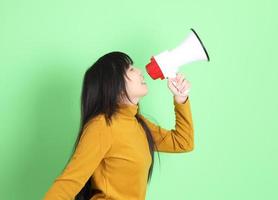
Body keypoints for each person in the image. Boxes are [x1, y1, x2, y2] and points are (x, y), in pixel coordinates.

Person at [44, 51, 194, 200]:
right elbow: (68, 183)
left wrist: (181, 99)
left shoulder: (138, 123)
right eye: (131, 69)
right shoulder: (101, 126)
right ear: (115, 85)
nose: (140, 71)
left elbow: (183, 142)